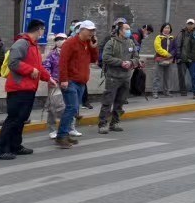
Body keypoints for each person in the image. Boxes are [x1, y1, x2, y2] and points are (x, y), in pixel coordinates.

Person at [0, 19, 55, 160]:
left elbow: (38, 67)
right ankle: (2, 150)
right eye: (43, 30)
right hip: (18, 88)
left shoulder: (34, 46)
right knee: (13, 119)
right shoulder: (22, 43)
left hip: (28, 87)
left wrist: (48, 78)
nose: (43, 33)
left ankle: (16, 146)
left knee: (21, 119)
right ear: (39, 29)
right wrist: (30, 70)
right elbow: (13, 62)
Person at [55, 20, 97, 149]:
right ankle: (61, 136)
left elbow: (94, 59)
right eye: (89, 30)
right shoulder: (70, 43)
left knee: (73, 109)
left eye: (93, 31)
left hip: (81, 82)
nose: (92, 33)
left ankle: (65, 134)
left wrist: (94, 46)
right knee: (72, 108)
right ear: (82, 30)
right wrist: (63, 79)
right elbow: (62, 62)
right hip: (71, 80)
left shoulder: (86, 44)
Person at [98, 20, 144, 133]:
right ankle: (102, 124)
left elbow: (137, 58)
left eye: (129, 29)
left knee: (120, 102)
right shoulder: (111, 42)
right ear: (120, 30)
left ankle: (115, 122)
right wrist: (121, 62)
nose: (128, 31)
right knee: (108, 101)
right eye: (126, 29)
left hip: (126, 77)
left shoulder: (131, 43)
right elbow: (106, 57)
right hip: (113, 77)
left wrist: (132, 62)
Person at [42, 32, 68, 138]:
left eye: (63, 39)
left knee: (69, 106)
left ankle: (69, 127)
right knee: (52, 107)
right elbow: (45, 67)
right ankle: (52, 129)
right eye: (59, 39)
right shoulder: (52, 55)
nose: (61, 41)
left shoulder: (70, 53)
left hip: (68, 83)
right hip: (55, 83)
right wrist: (50, 77)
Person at [152, 23, 174, 97]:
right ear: (162, 29)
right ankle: (155, 92)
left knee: (167, 77)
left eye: (168, 28)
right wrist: (167, 54)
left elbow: (175, 48)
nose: (167, 29)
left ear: (170, 29)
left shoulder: (172, 38)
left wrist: (172, 54)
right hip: (160, 59)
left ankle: (167, 91)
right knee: (157, 77)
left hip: (169, 60)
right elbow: (158, 48)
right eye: (165, 28)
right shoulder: (159, 37)